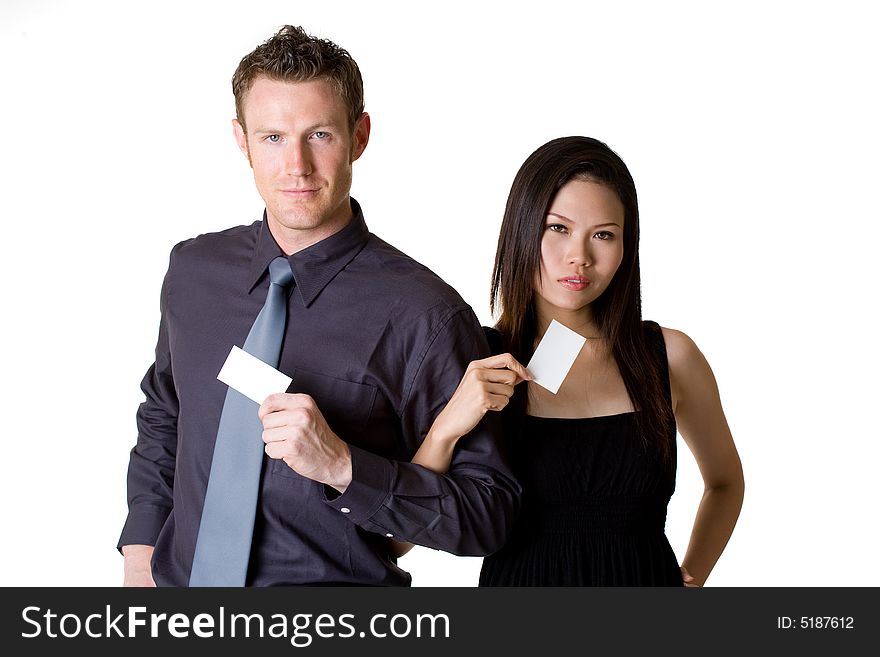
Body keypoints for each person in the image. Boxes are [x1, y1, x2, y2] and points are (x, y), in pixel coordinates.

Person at [118, 25, 519, 587]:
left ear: (359, 136)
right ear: (242, 140)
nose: (297, 166)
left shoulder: (425, 314)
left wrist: (343, 466)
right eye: (273, 138)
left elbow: (488, 514)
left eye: (320, 134)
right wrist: (140, 556)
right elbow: (165, 413)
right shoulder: (193, 272)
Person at [398, 136, 744, 586]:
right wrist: (447, 427)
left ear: (626, 248)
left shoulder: (670, 356)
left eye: (603, 235)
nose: (579, 256)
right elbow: (399, 540)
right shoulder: (475, 361)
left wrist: (692, 579)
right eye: (557, 228)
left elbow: (725, 483)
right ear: (521, 229)